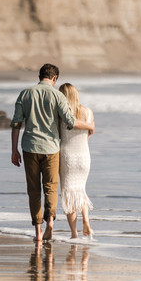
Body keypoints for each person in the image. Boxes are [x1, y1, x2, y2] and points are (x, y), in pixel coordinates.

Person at [11, 64, 94, 242]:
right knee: (50, 187)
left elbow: (16, 123)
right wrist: (89, 126)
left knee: (34, 190)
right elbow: (70, 121)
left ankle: (38, 232)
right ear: (54, 78)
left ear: (39, 76)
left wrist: (14, 150)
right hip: (51, 149)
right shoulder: (57, 95)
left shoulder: (25, 94)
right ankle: (50, 221)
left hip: (29, 147)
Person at [57, 83, 95, 240]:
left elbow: (58, 135)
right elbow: (89, 134)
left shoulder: (60, 115)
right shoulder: (88, 112)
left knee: (69, 194)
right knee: (80, 190)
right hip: (84, 156)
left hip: (68, 156)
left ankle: (74, 234)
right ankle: (86, 220)